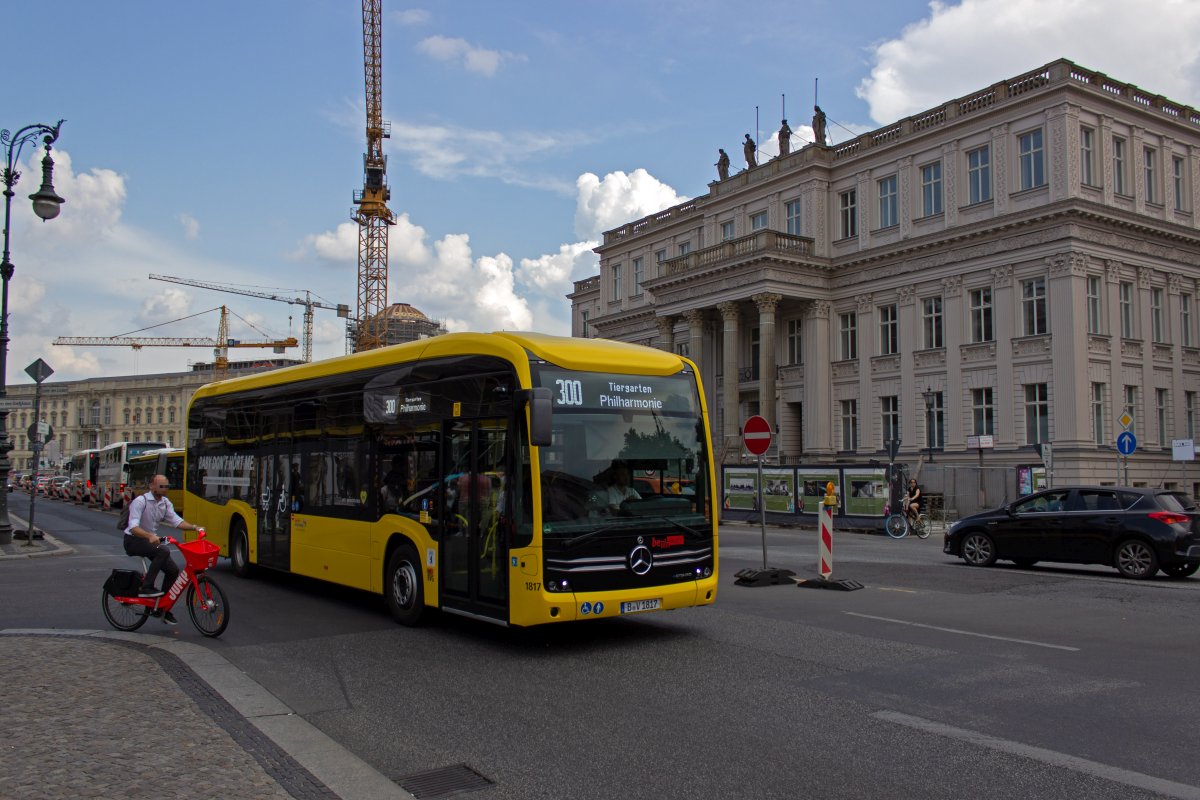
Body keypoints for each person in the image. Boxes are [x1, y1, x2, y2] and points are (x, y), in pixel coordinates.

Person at [123, 473, 205, 624]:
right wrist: (148, 536)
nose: (164, 488)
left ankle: (162, 608)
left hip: (149, 540)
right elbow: (133, 527)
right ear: (152, 486)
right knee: (163, 550)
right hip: (133, 539)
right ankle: (146, 587)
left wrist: (195, 527)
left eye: (166, 486)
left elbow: (177, 521)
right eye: (161, 485)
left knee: (173, 570)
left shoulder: (165, 503)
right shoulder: (141, 501)